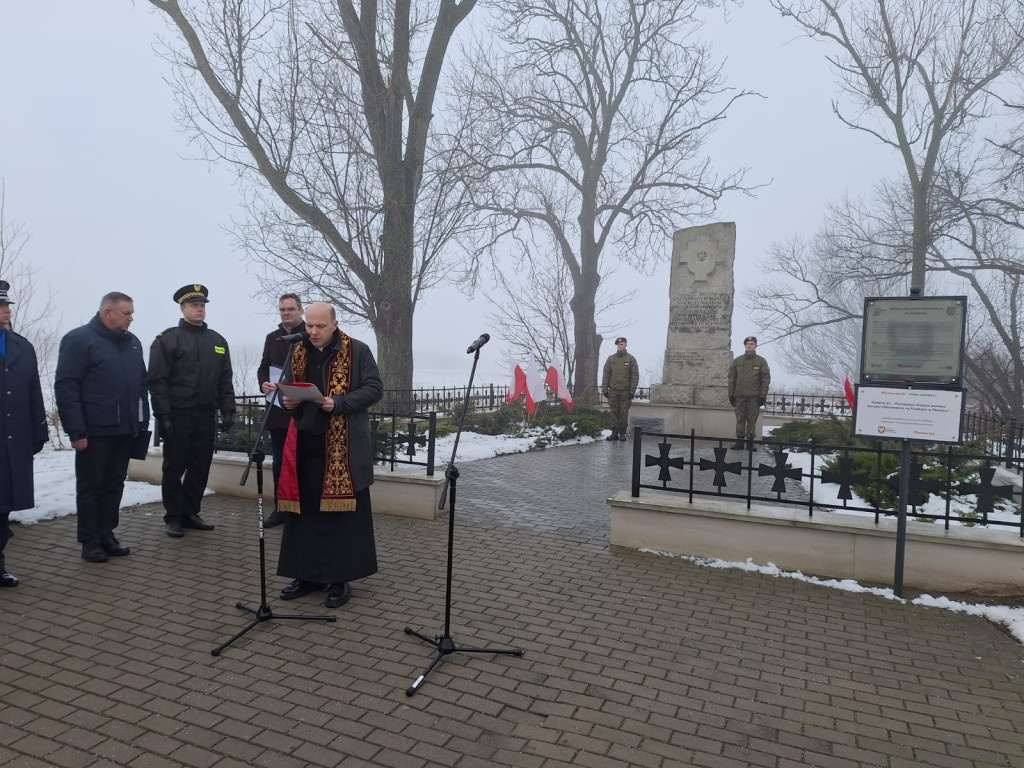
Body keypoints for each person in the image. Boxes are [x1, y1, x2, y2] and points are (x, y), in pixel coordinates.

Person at [276, 302, 382, 609]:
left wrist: (338, 402)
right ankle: (306, 575)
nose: (313, 332)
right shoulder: (297, 352)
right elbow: (290, 393)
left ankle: (339, 579)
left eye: (320, 326)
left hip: (343, 448)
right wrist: (289, 402)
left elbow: (375, 389)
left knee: (339, 520)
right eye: (309, 325)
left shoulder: (357, 350)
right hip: (306, 443)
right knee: (305, 515)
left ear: (335, 324)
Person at [55, 292, 149, 562]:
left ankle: (107, 533)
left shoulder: (133, 343)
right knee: (91, 487)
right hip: (93, 432)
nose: (131, 318)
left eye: (131, 313)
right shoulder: (79, 340)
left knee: (114, 484)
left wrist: (140, 422)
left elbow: (141, 387)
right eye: (126, 313)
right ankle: (90, 540)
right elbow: (66, 387)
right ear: (108, 313)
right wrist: (77, 431)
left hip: (125, 430)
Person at [148, 284, 236, 538]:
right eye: (194, 305)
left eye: (202, 305)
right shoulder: (168, 340)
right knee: (174, 468)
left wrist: (228, 410)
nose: (199, 309)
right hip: (178, 415)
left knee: (200, 466)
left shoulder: (217, 341)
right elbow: (157, 381)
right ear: (182, 308)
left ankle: (190, 512)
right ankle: (173, 516)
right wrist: (162, 415)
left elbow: (224, 379)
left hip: (205, 415)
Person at [0, 280, 47, 586]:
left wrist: (39, 431)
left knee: (3, 508)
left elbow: (34, 391)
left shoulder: (22, 346)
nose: (6, 310)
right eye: (1, 306)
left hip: (12, 441)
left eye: (6, 305)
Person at [257, 293, 305, 528]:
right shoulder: (272, 338)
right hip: (277, 412)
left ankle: (304, 509)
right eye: (282, 310)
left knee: (303, 462)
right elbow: (263, 367)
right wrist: (264, 383)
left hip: (304, 411)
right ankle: (281, 508)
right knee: (279, 463)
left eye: (291, 309)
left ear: (301, 311)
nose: (286, 313)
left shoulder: (310, 335)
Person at [727, 335, 771, 450]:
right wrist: (731, 394)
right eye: (747, 344)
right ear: (745, 346)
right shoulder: (737, 361)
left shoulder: (761, 361)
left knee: (752, 420)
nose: (749, 346)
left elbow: (765, 379)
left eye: (752, 344)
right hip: (740, 396)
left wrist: (762, 396)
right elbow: (732, 378)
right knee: (740, 419)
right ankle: (740, 441)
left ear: (756, 345)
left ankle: (750, 441)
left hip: (754, 397)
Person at [602, 336, 639, 441]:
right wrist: (604, 389)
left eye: (621, 344)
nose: (620, 346)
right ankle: (614, 433)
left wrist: (632, 391)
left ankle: (622, 433)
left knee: (623, 412)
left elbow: (634, 376)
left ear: (626, 345)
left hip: (625, 391)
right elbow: (606, 374)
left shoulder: (631, 359)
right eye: (618, 344)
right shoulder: (611, 359)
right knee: (614, 412)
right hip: (613, 390)